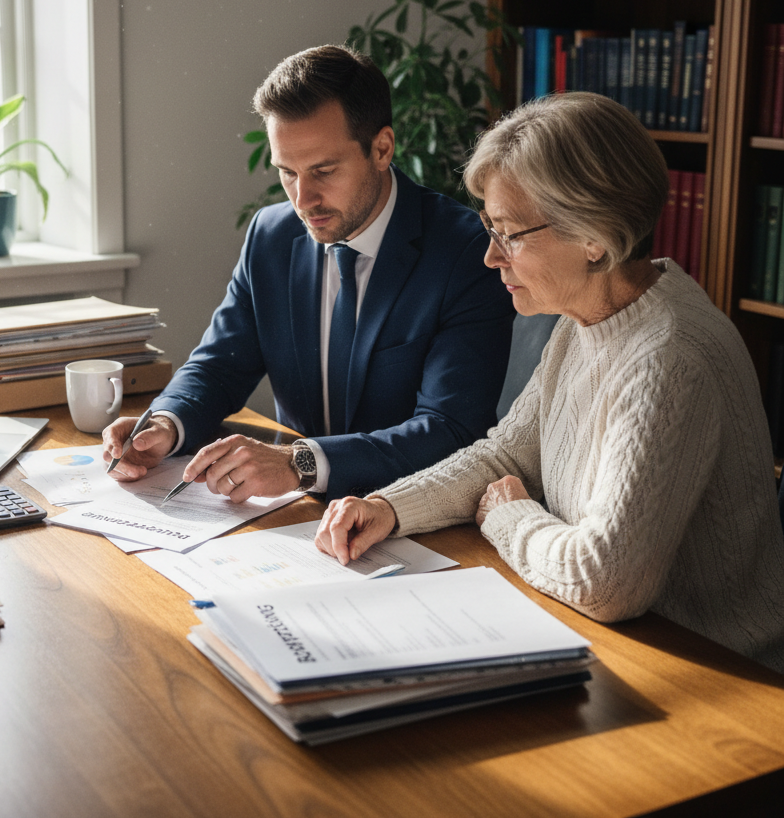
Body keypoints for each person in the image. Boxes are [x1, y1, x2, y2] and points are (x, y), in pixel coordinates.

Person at [315, 91, 784, 671]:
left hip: (715, 673)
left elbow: (604, 582)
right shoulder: (587, 318)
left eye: (509, 233)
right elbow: (505, 456)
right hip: (615, 643)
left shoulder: (670, 358)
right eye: (489, 227)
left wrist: (510, 517)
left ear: (594, 236)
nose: (490, 257)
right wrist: (389, 507)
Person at [102, 44, 515, 502]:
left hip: (408, 514)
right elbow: (220, 365)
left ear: (382, 148)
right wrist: (165, 425)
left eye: (323, 170)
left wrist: (299, 463)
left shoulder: (466, 251)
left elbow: (451, 429)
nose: (303, 199)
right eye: (287, 173)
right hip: (293, 515)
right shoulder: (271, 235)